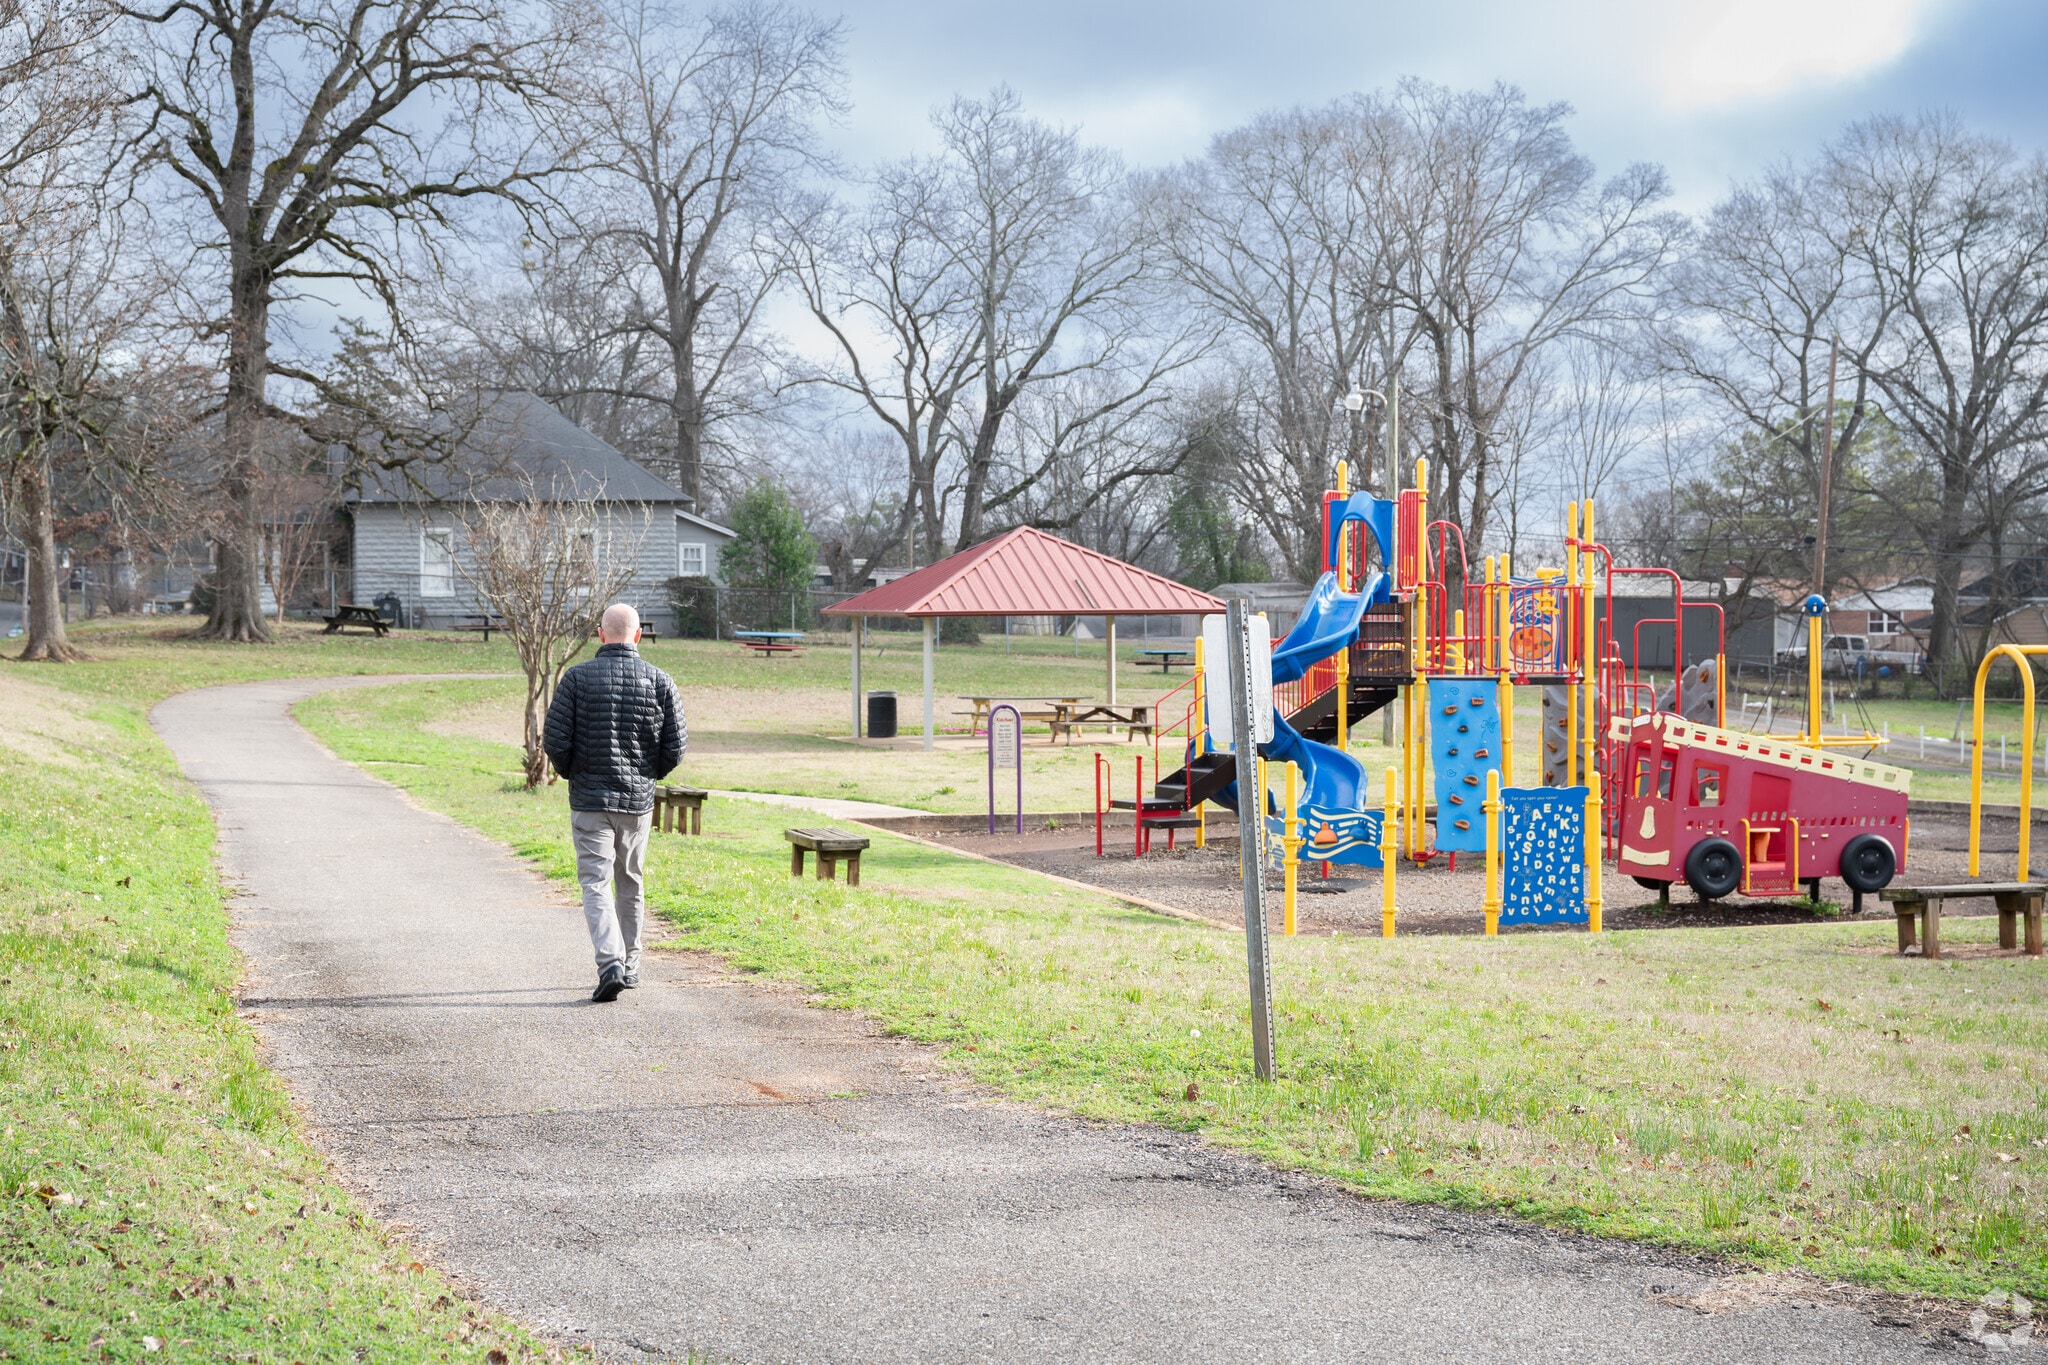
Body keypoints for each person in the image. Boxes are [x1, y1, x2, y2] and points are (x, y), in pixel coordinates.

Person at [543, 603, 686, 1001]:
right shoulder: (660, 682)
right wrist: (646, 775)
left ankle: (611, 964)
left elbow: (555, 740)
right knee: (631, 882)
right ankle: (631, 965)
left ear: (601, 635)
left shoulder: (575, 679)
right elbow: (675, 747)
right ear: (638, 636)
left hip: (590, 800)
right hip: (637, 802)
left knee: (595, 883)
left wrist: (575, 772)